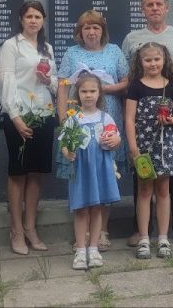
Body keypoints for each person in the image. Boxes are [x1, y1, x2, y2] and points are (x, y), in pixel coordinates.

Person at [122, 0, 173, 247]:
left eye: (159, 4)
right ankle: (141, 230)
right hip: (142, 118)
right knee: (142, 174)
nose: (154, 8)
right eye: (149, 5)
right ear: (143, 9)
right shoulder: (133, 38)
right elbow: (125, 73)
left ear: (167, 8)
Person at [58, 9, 129, 250]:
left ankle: (102, 232)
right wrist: (62, 120)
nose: (91, 31)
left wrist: (104, 88)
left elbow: (127, 81)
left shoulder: (114, 51)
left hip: (108, 119)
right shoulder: (71, 53)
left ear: (102, 31)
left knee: (105, 173)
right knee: (82, 174)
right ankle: (83, 233)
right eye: (87, 27)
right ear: (80, 31)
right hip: (78, 122)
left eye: (96, 27)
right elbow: (62, 84)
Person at [0, 1, 58, 255]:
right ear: (21, 20)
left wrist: (50, 80)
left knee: (36, 174)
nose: (33, 21)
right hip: (19, 115)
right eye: (29, 16)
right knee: (18, 173)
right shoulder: (11, 46)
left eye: (37, 16)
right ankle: (16, 230)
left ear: (43, 20)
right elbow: (6, 81)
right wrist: (15, 117)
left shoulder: (48, 48)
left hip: (43, 114)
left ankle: (31, 227)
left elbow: (55, 84)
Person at [125, 42, 173, 259]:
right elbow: (130, 119)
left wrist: (170, 120)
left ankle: (162, 238)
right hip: (143, 146)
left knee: (163, 191)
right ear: (140, 62)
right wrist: (133, 148)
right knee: (144, 192)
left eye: (156, 59)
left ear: (164, 60)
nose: (153, 63)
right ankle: (143, 237)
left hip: (165, 146)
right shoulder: (136, 86)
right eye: (148, 60)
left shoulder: (171, 85)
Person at [60, 74, 121, 270]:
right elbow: (64, 142)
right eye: (84, 91)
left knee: (97, 208)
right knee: (81, 208)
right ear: (77, 94)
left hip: (100, 169)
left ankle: (93, 248)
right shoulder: (73, 118)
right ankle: (80, 250)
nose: (88, 95)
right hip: (81, 170)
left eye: (92, 91)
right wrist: (67, 151)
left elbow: (116, 138)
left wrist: (115, 141)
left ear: (99, 93)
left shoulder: (106, 116)